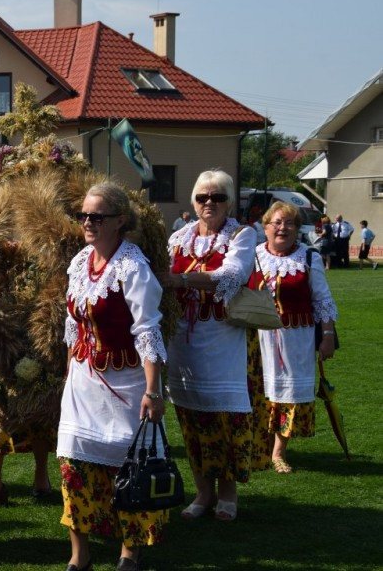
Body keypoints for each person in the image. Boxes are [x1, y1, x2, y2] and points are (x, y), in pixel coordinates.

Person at [59, 182, 168, 571]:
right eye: (84, 215)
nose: (88, 222)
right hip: (83, 381)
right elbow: (73, 322)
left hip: (127, 382)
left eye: (97, 217)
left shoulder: (132, 266)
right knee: (74, 462)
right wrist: (71, 368)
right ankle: (79, 554)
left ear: (120, 221)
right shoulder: (79, 262)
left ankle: (129, 550)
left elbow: (148, 329)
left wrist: (153, 391)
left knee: (130, 466)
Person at [164, 169, 256, 522]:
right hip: (182, 341)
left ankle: (227, 494)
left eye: (217, 197)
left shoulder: (242, 235)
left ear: (229, 202)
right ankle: (202, 492)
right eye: (202, 197)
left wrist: (182, 278)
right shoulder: (178, 238)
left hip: (221, 340)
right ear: (193, 201)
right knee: (191, 418)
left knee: (224, 419)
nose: (209, 203)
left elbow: (232, 275)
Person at [254, 202, 338, 473]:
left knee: (287, 394)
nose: (282, 228)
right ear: (265, 227)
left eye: (289, 223)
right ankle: (259, 445)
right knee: (258, 391)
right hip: (258, 339)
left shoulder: (308, 258)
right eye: (277, 222)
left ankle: (279, 451)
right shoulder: (252, 256)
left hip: (296, 340)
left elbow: (323, 301)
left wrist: (326, 337)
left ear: (297, 229)